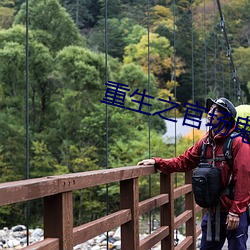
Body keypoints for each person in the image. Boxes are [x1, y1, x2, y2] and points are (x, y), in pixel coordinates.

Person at [137, 97, 250, 250]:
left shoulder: (238, 143)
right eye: (210, 110)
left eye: (215, 110)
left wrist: (236, 212)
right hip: (213, 211)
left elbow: (244, 178)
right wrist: (158, 162)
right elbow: (184, 161)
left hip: (233, 211)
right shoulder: (205, 143)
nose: (210, 113)